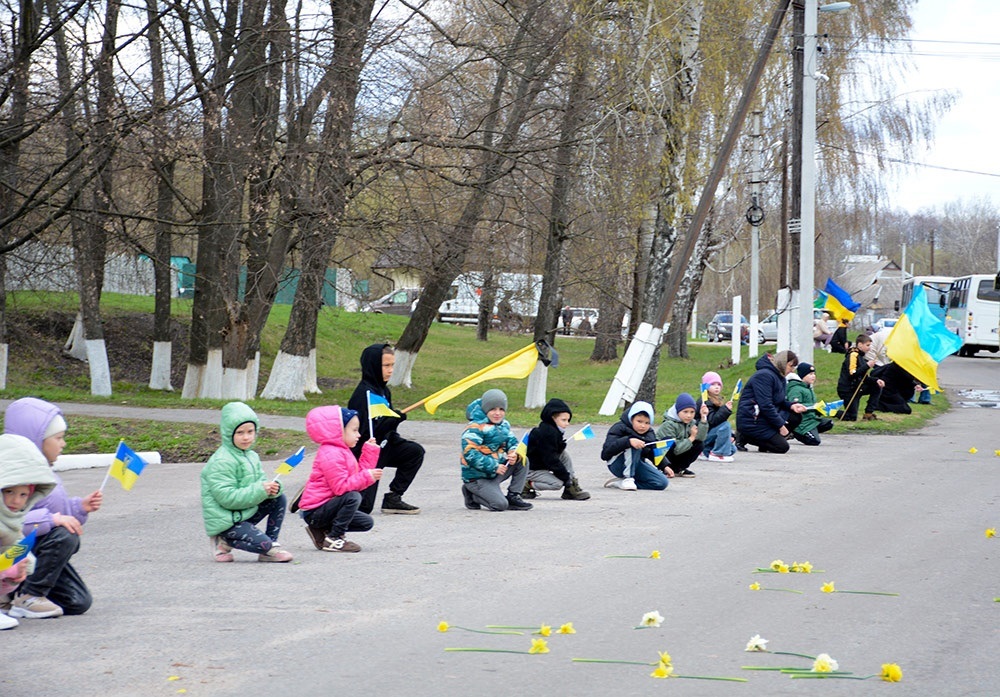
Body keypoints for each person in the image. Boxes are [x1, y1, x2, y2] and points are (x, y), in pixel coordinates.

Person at [4, 397, 99, 618]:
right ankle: (29, 595)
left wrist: (79, 507)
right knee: (65, 535)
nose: (63, 444)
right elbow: (9, 522)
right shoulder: (12, 478)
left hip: (37, 552)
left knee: (78, 602)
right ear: (36, 440)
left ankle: (21, 592)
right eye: (58, 438)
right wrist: (52, 520)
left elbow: (58, 511)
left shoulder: (46, 473)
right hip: (13, 551)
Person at [200, 402, 293, 563]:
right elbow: (227, 498)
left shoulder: (251, 456)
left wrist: (272, 489)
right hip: (227, 520)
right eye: (240, 433)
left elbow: (260, 483)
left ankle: (271, 546)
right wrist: (260, 490)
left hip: (243, 513)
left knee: (279, 498)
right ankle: (224, 539)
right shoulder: (222, 461)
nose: (246, 437)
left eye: (250, 431)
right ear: (229, 434)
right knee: (263, 544)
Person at [348, 343, 423, 515]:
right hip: (365, 453)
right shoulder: (363, 395)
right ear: (373, 365)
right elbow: (363, 432)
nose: (390, 370)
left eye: (392, 365)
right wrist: (390, 421)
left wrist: (394, 432)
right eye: (386, 366)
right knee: (363, 507)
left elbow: (386, 425)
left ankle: (393, 498)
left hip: (383, 446)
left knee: (414, 452)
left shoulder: (384, 391)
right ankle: (320, 488)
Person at [298, 406, 380, 553]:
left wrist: (370, 453)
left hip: (327, 506)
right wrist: (367, 476)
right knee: (352, 497)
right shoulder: (331, 454)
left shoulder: (342, 450)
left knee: (366, 522)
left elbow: (356, 478)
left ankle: (321, 531)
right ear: (337, 431)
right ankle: (334, 538)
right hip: (315, 511)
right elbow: (341, 488)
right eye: (354, 430)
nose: (359, 435)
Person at [0, 434, 57, 627]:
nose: (17, 501)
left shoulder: (10, 518)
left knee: (16, 568)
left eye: (23, 494)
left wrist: (23, 565)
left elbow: (15, 543)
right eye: (9, 492)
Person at [460, 389, 533, 511]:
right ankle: (472, 494)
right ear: (485, 410)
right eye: (493, 409)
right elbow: (470, 454)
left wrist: (513, 453)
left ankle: (514, 495)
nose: (497, 413)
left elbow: (512, 441)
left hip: (496, 472)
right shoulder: (475, 428)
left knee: (523, 460)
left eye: (501, 409)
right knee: (500, 505)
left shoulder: (503, 424)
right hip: (477, 477)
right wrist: (494, 466)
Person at [735, 351, 808, 454]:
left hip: (763, 417)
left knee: (795, 416)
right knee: (782, 447)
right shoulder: (764, 376)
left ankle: (767, 442)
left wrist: (792, 406)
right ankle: (745, 436)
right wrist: (781, 426)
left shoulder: (779, 376)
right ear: (782, 363)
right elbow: (765, 405)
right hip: (753, 419)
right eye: (790, 366)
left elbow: (779, 401)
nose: (792, 371)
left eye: (794, 368)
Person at [524, 398, 589, 500]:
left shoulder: (554, 431)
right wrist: (565, 477)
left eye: (568, 420)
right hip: (533, 469)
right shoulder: (546, 433)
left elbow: (555, 454)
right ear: (552, 418)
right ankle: (527, 484)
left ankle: (571, 487)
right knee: (557, 484)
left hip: (543, 464)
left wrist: (568, 479)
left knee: (564, 454)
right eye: (563, 420)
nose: (567, 423)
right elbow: (551, 460)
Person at [601, 401, 668, 491]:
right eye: (639, 421)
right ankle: (627, 478)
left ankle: (620, 483)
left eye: (647, 423)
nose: (643, 426)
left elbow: (652, 449)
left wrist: (664, 466)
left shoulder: (649, 433)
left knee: (662, 483)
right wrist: (628, 441)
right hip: (616, 463)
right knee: (634, 445)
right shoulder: (619, 427)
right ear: (631, 419)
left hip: (636, 464)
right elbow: (605, 453)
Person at [654, 393, 706, 477]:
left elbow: (700, 438)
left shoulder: (691, 422)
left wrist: (703, 419)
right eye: (685, 412)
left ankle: (679, 468)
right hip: (664, 456)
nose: (689, 415)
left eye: (692, 412)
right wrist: (691, 438)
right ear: (677, 411)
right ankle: (665, 468)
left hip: (680, 450)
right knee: (669, 441)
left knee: (699, 444)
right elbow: (676, 449)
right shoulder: (668, 424)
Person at [837, 334, 885, 422]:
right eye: (867, 345)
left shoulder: (861, 357)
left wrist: (877, 380)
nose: (869, 348)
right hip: (848, 390)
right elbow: (852, 374)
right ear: (859, 345)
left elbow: (864, 378)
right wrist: (867, 366)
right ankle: (829, 411)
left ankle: (869, 413)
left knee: (876, 386)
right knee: (851, 417)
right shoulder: (853, 355)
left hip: (858, 387)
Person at [785, 362, 834, 446]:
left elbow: (811, 404)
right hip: (802, 422)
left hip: (811, 419)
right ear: (802, 376)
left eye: (814, 374)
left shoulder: (808, 388)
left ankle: (811, 430)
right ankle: (795, 432)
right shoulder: (796, 389)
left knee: (829, 423)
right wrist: (814, 407)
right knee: (815, 441)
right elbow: (795, 405)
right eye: (810, 374)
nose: (813, 376)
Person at [696, 371, 737, 462]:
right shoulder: (704, 401)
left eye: (718, 384)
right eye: (713, 384)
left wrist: (731, 435)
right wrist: (725, 410)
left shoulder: (716, 399)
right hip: (703, 434)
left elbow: (719, 421)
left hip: (710, 433)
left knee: (732, 449)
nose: (717, 387)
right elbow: (712, 421)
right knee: (726, 425)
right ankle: (718, 453)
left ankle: (705, 451)